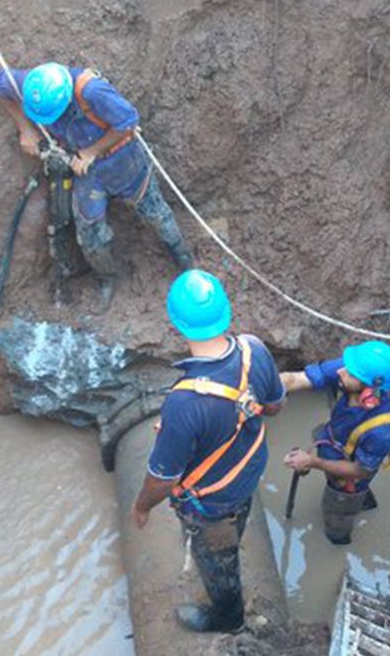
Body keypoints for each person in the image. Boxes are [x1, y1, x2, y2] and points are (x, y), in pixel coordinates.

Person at [130, 270, 285, 633]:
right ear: (225, 312)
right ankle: (233, 542)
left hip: (212, 505)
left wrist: (141, 506)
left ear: (177, 324)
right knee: (238, 521)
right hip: (248, 474)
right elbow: (274, 406)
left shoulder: (184, 403)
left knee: (216, 561)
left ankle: (229, 618)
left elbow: (162, 479)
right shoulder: (253, 349)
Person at [0, 62, 194, 309]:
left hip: (123, 161)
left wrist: (91, 152)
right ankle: (109, 277)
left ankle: (184, 260)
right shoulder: (34, 86)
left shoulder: (92, 92)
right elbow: (0, 84)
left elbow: (129, 123)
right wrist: (26, 129)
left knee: (156, 214)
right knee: (89, 235)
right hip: (88, 175)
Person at [279, 341, 390, 545]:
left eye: (351, 374)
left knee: (336, 513)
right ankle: (365, 503)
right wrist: (261, 387)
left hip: (351, 477)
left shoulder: (382, 431)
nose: (341, 372)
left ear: (370, 391)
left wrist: (312, 462)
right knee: (353, 487)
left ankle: (339, 536)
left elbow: (360, 471)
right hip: (335, 446)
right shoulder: (352, 372)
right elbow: (295, 380)